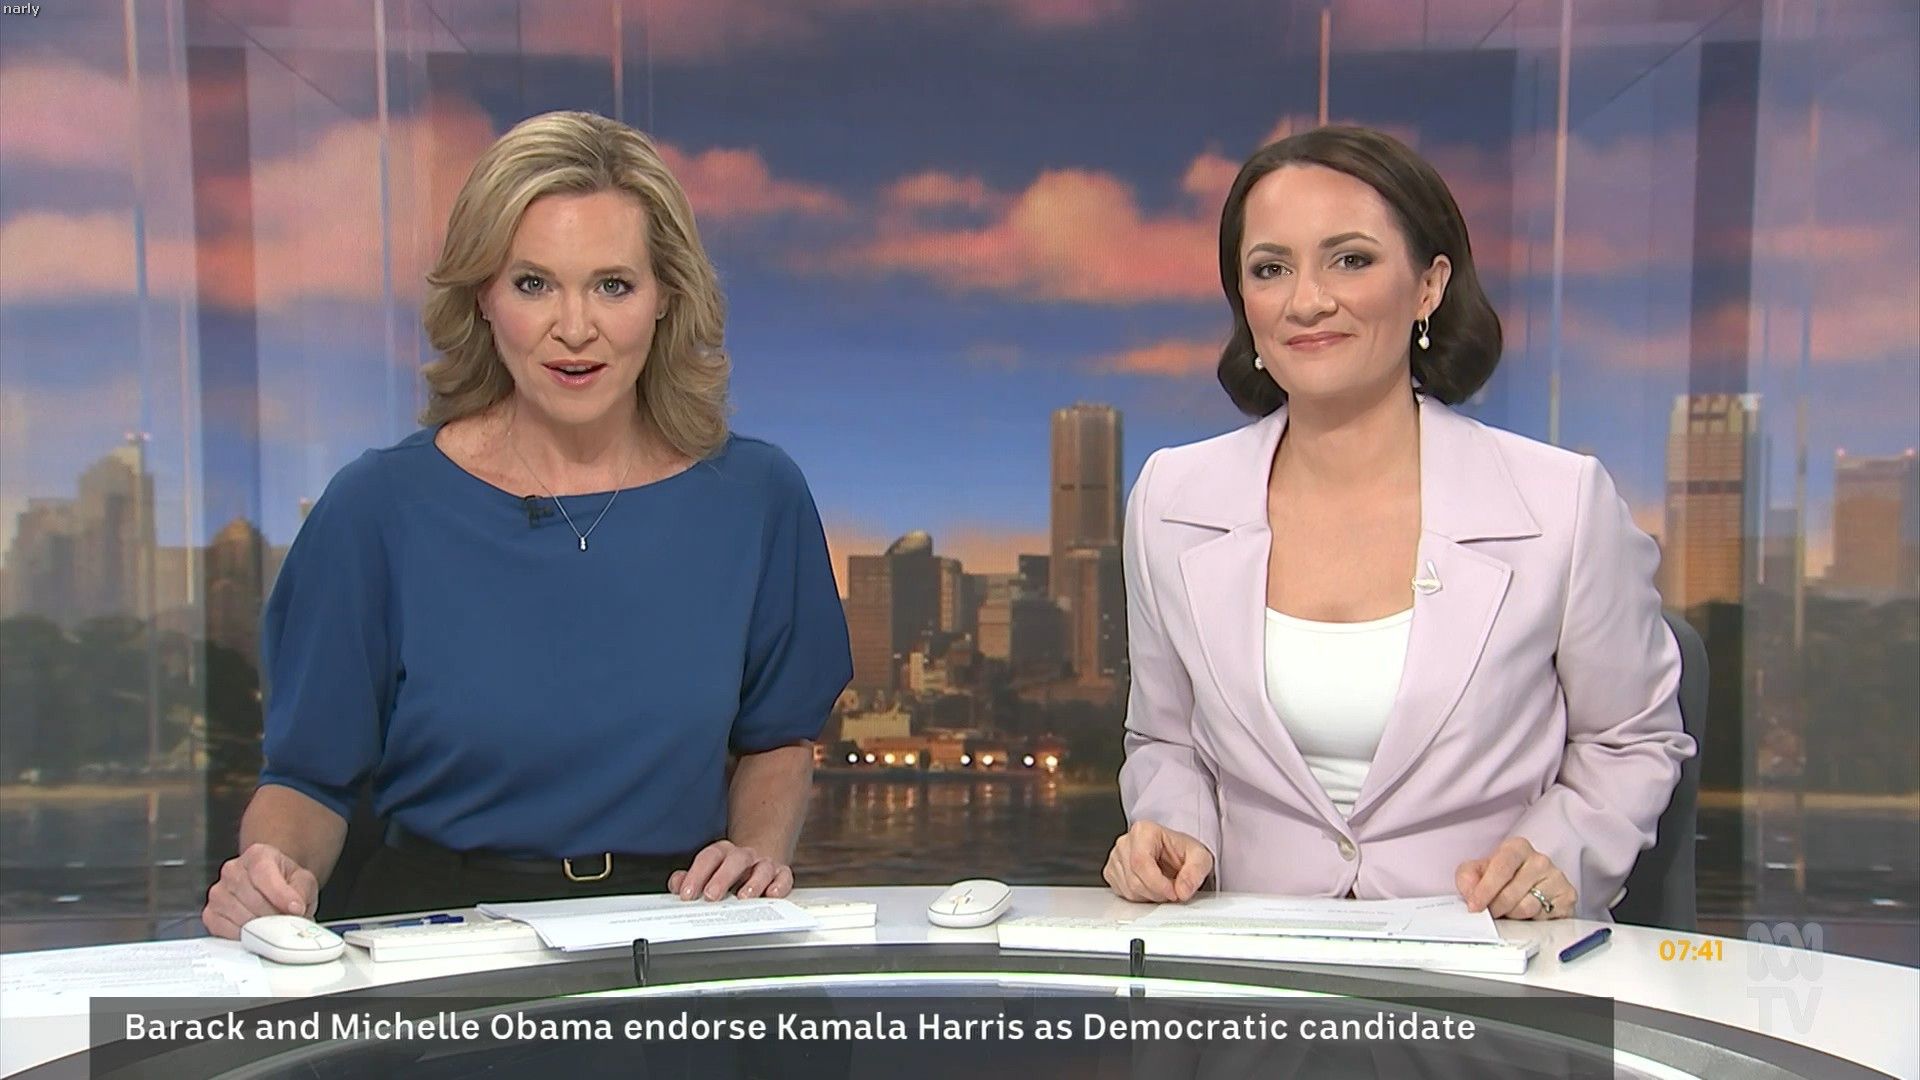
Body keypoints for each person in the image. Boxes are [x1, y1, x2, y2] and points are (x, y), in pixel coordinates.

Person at [201, 111, 852, 937]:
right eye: (533, 284)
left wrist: (754, 854)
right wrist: (271, 877)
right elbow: (308, 781)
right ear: (482, 297)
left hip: (677, 923)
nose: (574, 328)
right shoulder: (377, 508)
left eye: (613, 285)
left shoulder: (756, 496)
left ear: (666, 298)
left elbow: (777, 738)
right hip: (434, 933)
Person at [1106, 126, 1693, 920]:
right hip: (1250, 952)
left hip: (1486, 954)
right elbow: (1166, 740)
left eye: (1350, 260)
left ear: (1428, 287)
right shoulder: (1170, 500)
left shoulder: (1562, 503)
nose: (1308, 301)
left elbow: (1631, 741)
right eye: (1271, 269)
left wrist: (1558, 854)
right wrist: (1173, 830)